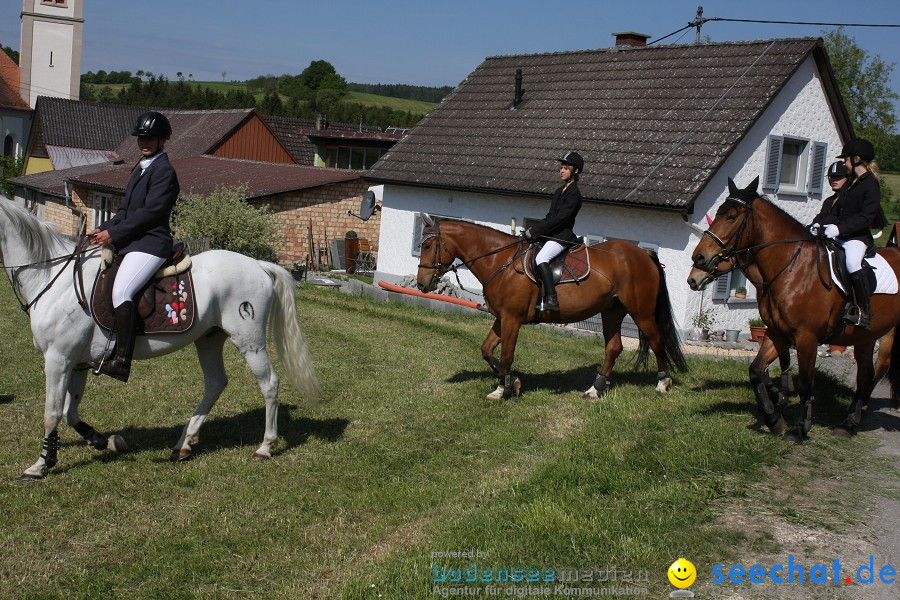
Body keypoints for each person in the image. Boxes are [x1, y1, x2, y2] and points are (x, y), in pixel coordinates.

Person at [87, 111, 180, 381]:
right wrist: (105, 228)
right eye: (141, 138)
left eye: (150, 138)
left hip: (151, 243)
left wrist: (114, 236)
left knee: (122, 291)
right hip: (133, 240)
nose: (144, 143)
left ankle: (121, 361)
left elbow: (148, 214)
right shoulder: (141, 166)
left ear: (163, 139)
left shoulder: (164, 172)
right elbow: (126, 211)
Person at [810, 139, 885, 329]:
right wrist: (818, 224)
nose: (845, 163)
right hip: (840, 235)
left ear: (857, 159)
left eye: (846, 159)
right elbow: (835, 212)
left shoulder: (870, 185)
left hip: (857, 238)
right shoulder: (851, 184)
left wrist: (840, 229)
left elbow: (866, 218)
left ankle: (863, 311)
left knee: (852, 263)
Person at [523, 151, 584, 311]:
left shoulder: (574, 194)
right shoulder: (559, 191)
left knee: (542, 258)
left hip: (561, 237)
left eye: (565, 168)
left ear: (575, 171)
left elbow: (560, 219)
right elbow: (550, 217)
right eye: (561, 167)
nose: (561, 170)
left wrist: (537, 230)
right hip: (550, 235)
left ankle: (552, 299)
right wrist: (533, 230)